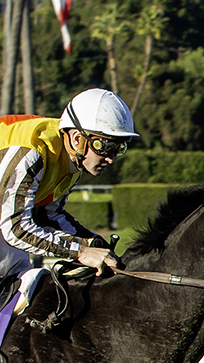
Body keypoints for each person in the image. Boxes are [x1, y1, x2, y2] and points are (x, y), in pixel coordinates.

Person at [0, 88, 137, 311]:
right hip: (7, 225)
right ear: (76, 138)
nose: (110, 159)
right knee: (12, 269)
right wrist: (81, 252)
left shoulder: (72, 157)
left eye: (119, 148)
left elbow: (47, 216)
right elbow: (16, 229)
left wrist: (92, 242)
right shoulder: (32, 152)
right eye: (105, 146)